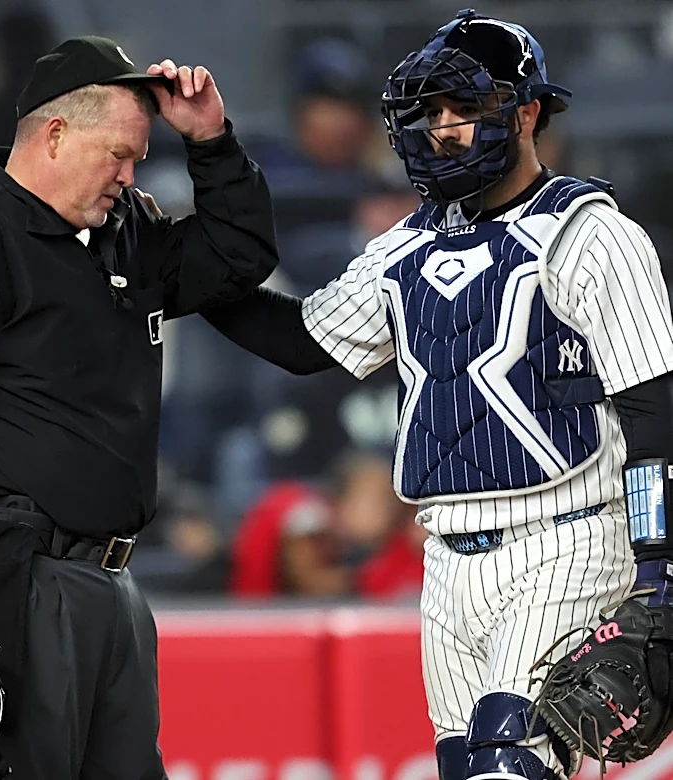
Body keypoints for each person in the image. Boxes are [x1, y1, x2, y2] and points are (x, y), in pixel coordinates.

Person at [201, 9, 673, 779]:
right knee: (469, 768)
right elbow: (301, 343)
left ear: (527, 113)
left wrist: (660, 572)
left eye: (467, 109)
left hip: (567, 537)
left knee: (505, 763)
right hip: (446, 558)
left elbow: (657, 411)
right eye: (433, 113)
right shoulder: (408, 242)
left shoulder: (590, 233)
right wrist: (187, 279)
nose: (445, 129)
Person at [0, 34, 277, 780]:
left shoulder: (125, 232)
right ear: (56, 134)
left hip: (115, 587)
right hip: (9, 583)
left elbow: (240, 255)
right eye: (120, 155)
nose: (132, 175)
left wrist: (211, 140)